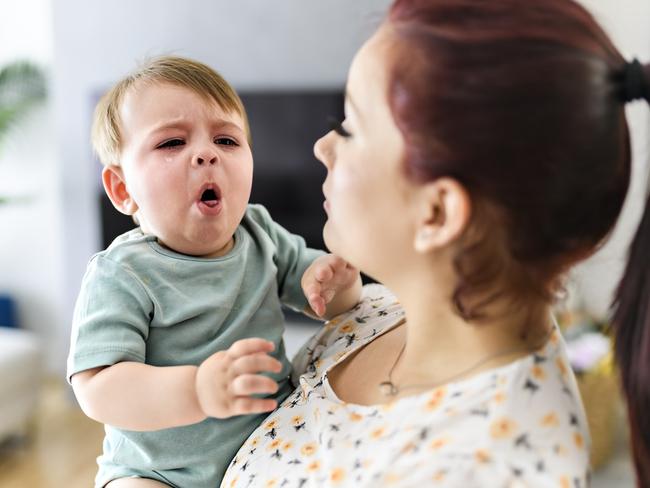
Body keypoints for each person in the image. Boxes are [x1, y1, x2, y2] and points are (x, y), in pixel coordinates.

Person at [220, 0, 650, 486]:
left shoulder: (481, 469)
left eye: (350, 126)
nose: (322, 147)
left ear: (438, 213)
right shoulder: (374, 315)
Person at [66, 56, 362, 488]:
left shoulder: (260, 232)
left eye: (226, 140)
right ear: (123, 189)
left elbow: (325, 302)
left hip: (268, 445)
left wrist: (340, 282)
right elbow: (97, 388)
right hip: (156, 472)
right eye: (171, 144)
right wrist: (197, 391)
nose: (206, 154)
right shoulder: (122, 273)